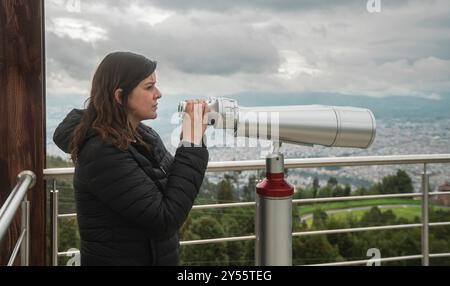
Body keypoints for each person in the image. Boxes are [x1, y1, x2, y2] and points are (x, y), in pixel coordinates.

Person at [53, 51, 209, 266]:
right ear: (119, 96)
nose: (158, 93)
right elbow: (165, 219)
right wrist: (192, 145)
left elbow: (171, 189)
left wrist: (189, 142)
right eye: (149, 87)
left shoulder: (142, 135)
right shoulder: (101, 152)